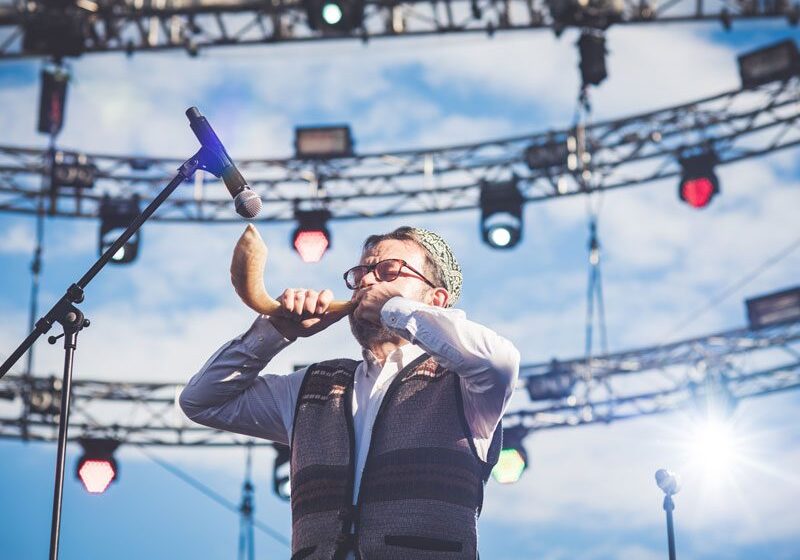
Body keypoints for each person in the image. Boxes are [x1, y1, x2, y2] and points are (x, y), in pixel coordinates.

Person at [180, 226, 520, 560]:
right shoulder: (312, 386)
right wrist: (276, 331)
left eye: (389, 272)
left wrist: (395, 309)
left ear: (437, 299)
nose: (367, 282)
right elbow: (204, 401)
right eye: (361, 275)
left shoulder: (464, 382)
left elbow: (500, 361)